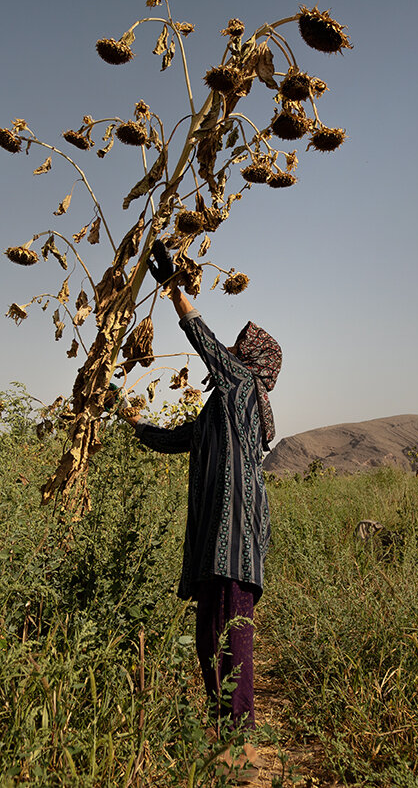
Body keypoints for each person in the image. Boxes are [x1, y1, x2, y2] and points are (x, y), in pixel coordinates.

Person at [123, 242, 281, 737]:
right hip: (214, 544)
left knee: (232, 643)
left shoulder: (241, 390)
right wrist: (131, 420)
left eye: (240, 348)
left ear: (251, 362)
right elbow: (174, 439)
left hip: (234, 544)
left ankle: (240, 744)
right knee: (207, 641)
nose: (231, 352)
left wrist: (174, 286)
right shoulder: (220, 411)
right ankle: (223, 736)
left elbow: (203, 339)